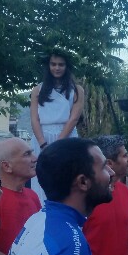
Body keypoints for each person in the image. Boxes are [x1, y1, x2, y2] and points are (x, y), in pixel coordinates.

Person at [29, 50, 85, 202]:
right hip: (42, 137)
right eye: (53, 64)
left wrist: (58, 144)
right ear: (48, 66)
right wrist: (43, 144)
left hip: (66, 136)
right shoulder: (38, 90)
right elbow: (34, 119)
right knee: (42, 177)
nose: (57, 68)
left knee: (68, 175)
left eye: (61, 64)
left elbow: (74, 118)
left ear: (67, 66)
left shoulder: (77, 90)